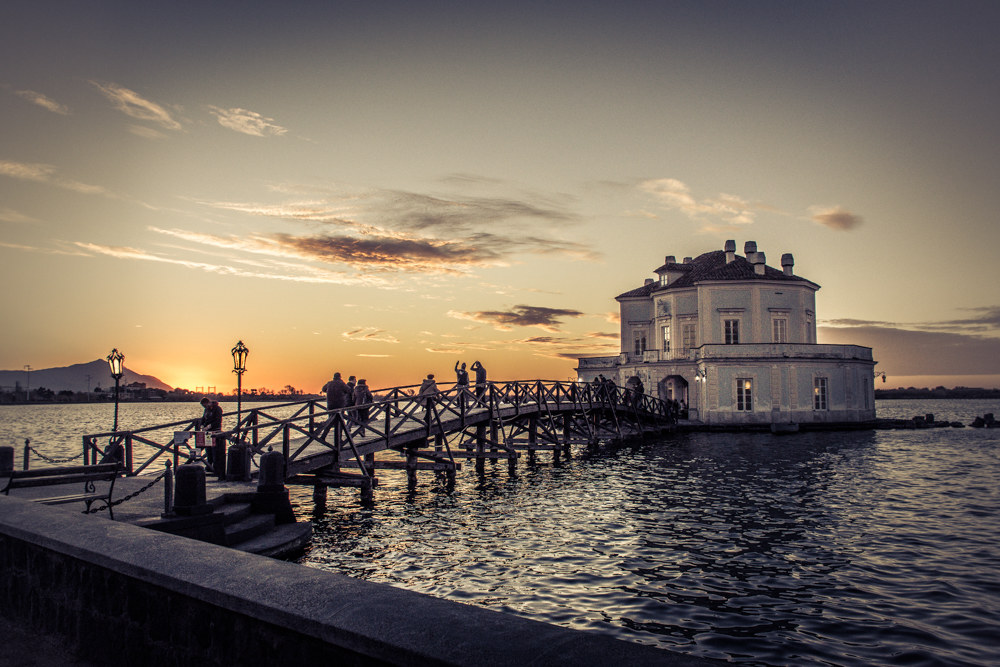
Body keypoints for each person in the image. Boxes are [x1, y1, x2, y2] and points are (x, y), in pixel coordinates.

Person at [198, 397, 224, 471]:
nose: (204, 407)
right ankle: (209, 465)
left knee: (215, 450)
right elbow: (203, 418)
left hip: (215, 431)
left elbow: (218, 420)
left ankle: (216, 466)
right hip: (207, 432)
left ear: (208, 403)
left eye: (205, 405)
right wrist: (202, 425)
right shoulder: (206, 409)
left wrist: (210, 426)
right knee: (208, 449)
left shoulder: (217, 409)